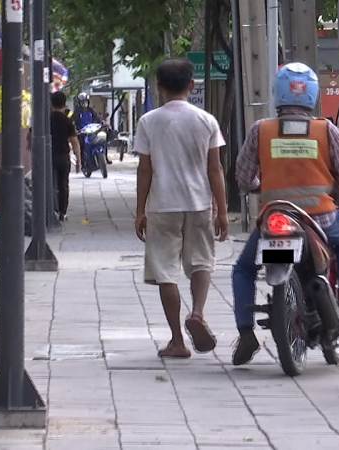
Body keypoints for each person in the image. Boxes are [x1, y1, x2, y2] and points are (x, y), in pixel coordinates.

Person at [232, 62, 339, 366]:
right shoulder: (325, 129)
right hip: (321, 219)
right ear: (312, 95)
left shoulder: (261, 130)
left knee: (243, 269)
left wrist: (259, 186)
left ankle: (245, 333)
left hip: (274, 220)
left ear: (278, 94)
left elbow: (243, 177)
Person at [134, 58, 229, 359]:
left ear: (159, 87)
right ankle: (198, 313)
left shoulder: (148, 121)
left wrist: (140, 210)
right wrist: (223, 211)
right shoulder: (206, 121)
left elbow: (144, 170)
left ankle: (177, 340)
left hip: (163, 205)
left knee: (166, 272)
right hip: (199, 202)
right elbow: (215, 169)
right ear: (192, 85)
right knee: (202, 262)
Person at [50, 91, 81, 221]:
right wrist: (78, 159)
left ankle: (52, 211)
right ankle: (63, 213)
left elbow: (31, 133)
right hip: (63, 156)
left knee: (51, 184)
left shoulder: (46, 118)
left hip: (49, 157)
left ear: (51, 104)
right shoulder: (67, 121)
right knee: (63, 185)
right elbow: (74, 141)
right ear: (64, 104)